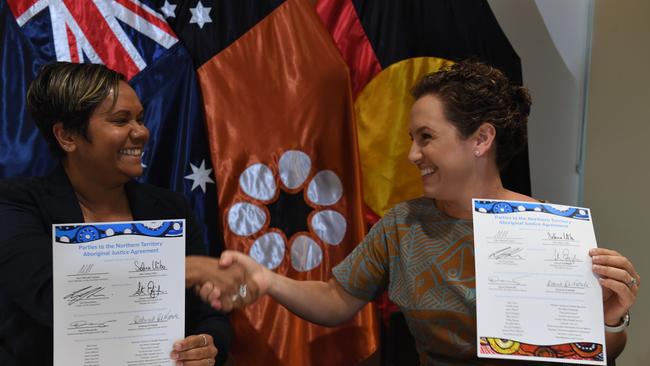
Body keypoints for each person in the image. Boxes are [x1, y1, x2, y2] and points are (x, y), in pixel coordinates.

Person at [188, 60, 640, 365]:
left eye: (425, 137)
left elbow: (598, 350)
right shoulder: (404, 225)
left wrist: (610, 318)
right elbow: (335, 300)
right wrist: (266, 280)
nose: (411, 154)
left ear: (481, 140)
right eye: (411, 138)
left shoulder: (551, 231)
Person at [0, 62, 234, 365]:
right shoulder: (17, 204)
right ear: (67, 136)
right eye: (121, 120)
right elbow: (54, 297)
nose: (141, 132)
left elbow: (209, 312)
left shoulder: (170, 208)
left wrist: (208, 344)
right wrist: (181, 271)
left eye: (140, 118)